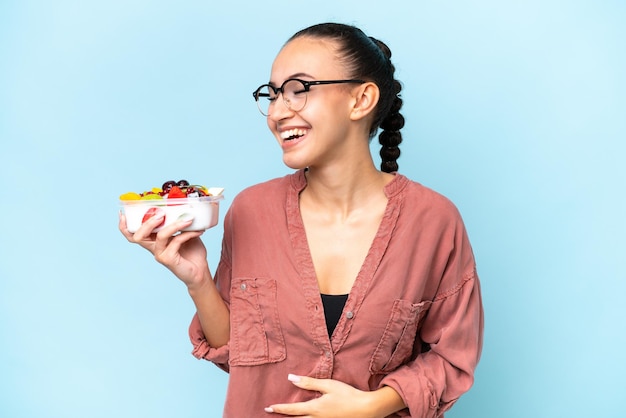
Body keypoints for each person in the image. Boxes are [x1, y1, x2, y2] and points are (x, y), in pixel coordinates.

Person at [120, 22, 484, 418]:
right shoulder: (251, 211)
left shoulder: (433, 221)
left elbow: (452, 358)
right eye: (272, 95)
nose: (277, 112)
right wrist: (197, 280)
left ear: (360, 99)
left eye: (298, 90)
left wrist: (374, 404)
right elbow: (237, 355)